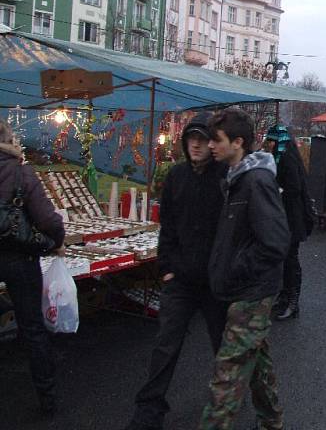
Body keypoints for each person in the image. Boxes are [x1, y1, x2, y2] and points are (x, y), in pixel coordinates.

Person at [126, 113, 229, 430]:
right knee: (165, 346)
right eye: (191, 139)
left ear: (212, 143)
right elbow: (167, 225)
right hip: (181, 281)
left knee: (225, 348)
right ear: (185, 142)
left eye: (202, 139)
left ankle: (234, 406)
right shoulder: (176, 177)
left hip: (215, 283)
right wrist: (167, 267)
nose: (196, 145)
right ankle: (148, 411)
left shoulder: (225, 177)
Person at [199, 107, 291, 430]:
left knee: (228, 373)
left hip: (252, 291)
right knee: (256, 360)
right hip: (243, 288)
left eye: (216, 140)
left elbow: (276, 242)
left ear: (238, 142)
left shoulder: (256, 182)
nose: (210, 146)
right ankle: (272, 421)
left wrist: (236, 268)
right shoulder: (235, 178)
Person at [0, 120, 64, 415]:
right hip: (19, 258)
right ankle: (48, 396)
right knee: (32, 327)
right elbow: (47, 219)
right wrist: (56, 241)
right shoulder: (20, 170)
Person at [265, 125, 315, 321]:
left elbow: (293, 187)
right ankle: (285, 296)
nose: (269, 144)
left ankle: (293, 301)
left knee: (291, 259)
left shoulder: (286, 158)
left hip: (291, 218)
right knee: (286, 259)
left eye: (271, 140)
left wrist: (277, 189)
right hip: (288, 216)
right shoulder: (285, 156)